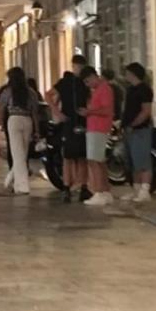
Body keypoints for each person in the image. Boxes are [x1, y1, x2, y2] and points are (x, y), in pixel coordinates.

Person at [46, 55, 92, 203]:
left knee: (82, 156)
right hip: (69, 122)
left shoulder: (85, 82)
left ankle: (83, 186)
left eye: (81, 67)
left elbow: (90, 99)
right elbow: (48, 94)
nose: (79, 69)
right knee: (68, 156)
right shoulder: (65, 82)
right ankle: (66, 187)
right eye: (77, 67)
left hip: (82, 121)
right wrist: (57, 112)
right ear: (73, 66)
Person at [0, 67, 39, 195]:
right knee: (23, 154)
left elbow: (1, 109)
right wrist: (37, 130)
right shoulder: (31, 92)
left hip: (13, 120)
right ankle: (15, 181)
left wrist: (0, 125)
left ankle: (21, 186)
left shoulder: (8, 92)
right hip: (27, 121)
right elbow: (35, 112)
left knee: (17, 154)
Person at [79, 67, 115, 206]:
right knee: (99, 161)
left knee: (94, 161)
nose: (88, 85)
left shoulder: (104, 89)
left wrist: (89, 112)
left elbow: (107, 110)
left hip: (98, 128)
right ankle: (105, 191)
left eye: (88, 81)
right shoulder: (99, 90)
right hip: (95, 128)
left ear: (93, 76)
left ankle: (99, 191)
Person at [120, 62, 154, 203]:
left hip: (140, 130)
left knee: (143, 160)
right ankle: (136, 189)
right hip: (129, 129)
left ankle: (145, 190)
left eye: (128, 73)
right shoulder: (130, 89)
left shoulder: (144, 90)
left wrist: (134, 124)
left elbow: (146, 111)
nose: (126, 75)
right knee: (134, 162)